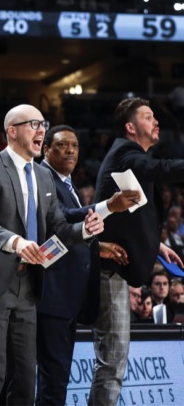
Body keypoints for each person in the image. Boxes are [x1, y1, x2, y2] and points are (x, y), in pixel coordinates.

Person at [0, 104, 104, 406]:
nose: (41, 130)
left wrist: (86, 231)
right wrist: (16, 242)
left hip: (28, 285)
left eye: (43, 123)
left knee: (25, 377)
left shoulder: (42, 175)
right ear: (12, 131)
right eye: (33, 124)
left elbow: (60, 228)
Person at [89, 97, 184, 405]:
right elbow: (160, 169)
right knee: (112, 360)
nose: (156, 122)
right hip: (109, 272)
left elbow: (132, 214)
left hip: (116, 272)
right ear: (131, 127)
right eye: (148, 117)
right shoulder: (128, 154)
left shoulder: (126, 159)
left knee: (113, 360)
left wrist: (156, 247)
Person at [36, 124, 137, 406]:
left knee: (56, 380)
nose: (70, 150)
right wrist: (107, 206)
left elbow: (69, 235)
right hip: (51, 296)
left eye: (75, 145)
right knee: (52, 381)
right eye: (62, 145)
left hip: (65, 299)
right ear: (46, 149)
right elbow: (63, 219)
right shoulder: (43, 177)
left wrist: (97, 246)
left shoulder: (67, 184)